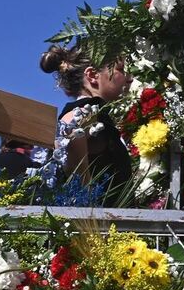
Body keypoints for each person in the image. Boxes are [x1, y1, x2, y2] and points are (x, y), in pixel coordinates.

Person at [39, 44, 134, 205]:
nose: (128, 78)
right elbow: (69, 138)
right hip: (100, 225)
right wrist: (88, 203)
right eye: (120, 69)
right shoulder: (83, 113)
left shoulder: (95, 113)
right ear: (92, 75)